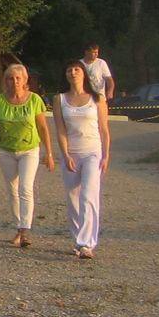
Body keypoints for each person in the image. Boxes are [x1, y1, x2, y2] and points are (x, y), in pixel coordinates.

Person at [0, 61, 55, 247]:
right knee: (12, 190)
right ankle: (18, 227)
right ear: (5, 81)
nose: (14, 82)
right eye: (10, 79)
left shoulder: (35, 100)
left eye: (18, 78)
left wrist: (50, 153)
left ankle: (25, 230)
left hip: (29, 149)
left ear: (24, 80)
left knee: (25, 188)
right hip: (6, 150)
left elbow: (43, 128)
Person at [55, 60, 111, 258]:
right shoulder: (60, 99)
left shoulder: (96, 99)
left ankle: (86, 243)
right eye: (69, 70)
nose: (73, 72)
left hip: (92, 152)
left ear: (84, 73)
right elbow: (60, 129)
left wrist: (106, 155)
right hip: (72, 152)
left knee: (88, 195)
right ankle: (78, 239)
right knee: (73, 198)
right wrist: (66, 154)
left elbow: (104, 129)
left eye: (77, 69)